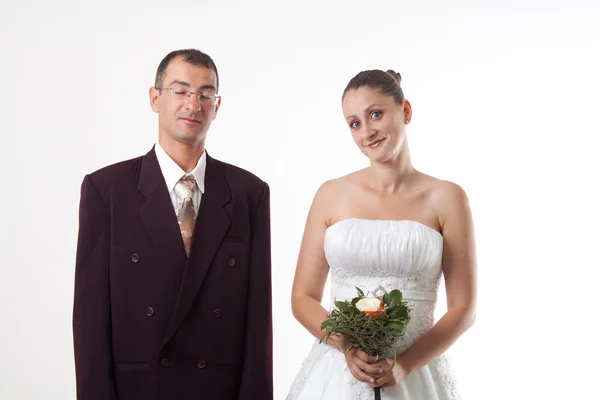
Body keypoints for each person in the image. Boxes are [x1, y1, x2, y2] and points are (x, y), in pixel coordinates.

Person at [72, 49, 273, 400]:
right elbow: (89, 323)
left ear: (217, 105)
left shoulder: (248, 194)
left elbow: (259, 327)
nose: (193, 104)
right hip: (139, 389)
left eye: (205, 94)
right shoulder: (106, 191)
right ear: (155, 98)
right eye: (180, 91)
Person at [286, 69, 476, 399]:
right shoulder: (330, 195)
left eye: (376, 114)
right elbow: (302, 297)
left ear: (405, 111)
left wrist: (405, 365)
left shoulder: (448, 197)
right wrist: (345, 347)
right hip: (337, 376)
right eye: (354, 123)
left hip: (415, 373)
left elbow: (463, 308)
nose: (367, 132)